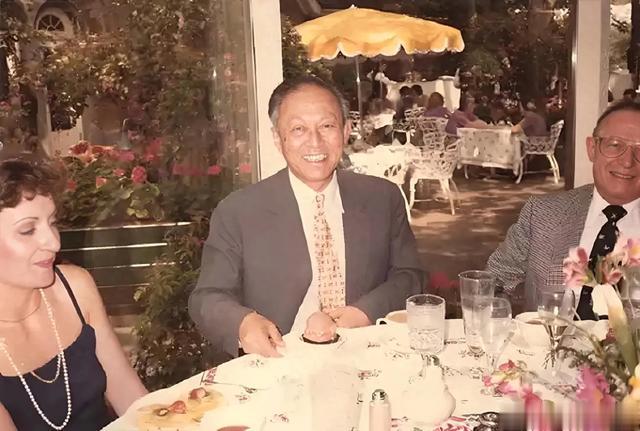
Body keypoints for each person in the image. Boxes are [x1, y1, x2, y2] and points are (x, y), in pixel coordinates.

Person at [189, 76, 425, 358]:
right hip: (281, 363)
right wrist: (242, 323)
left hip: (367, 356)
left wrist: (366, 312)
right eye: (298, 129)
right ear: (278, 138)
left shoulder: (382, 198)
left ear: (346, 131)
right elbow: (208, 296)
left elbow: (409, 275)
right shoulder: (238, 212)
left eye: (327, 126)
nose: (315, 142)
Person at [0, 154, 147, 431]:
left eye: (52, 222)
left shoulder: (75, 289)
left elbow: (132, 400)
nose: (53, 243)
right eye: (28, 230)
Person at [485, 101, 640, 317]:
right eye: (614, 145)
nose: (627, 161)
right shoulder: (542, 213)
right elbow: (494, 282)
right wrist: (500, 320)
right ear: (592, 148)